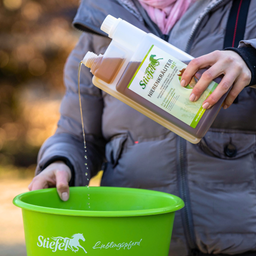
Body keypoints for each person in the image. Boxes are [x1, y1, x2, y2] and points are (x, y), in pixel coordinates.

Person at [28, 0, 256, 255]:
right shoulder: (99, 25)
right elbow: (77, 134)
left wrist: (250, 59)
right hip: (134, 237)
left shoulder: (246, 9)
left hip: (242, 237)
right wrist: (61, 162)